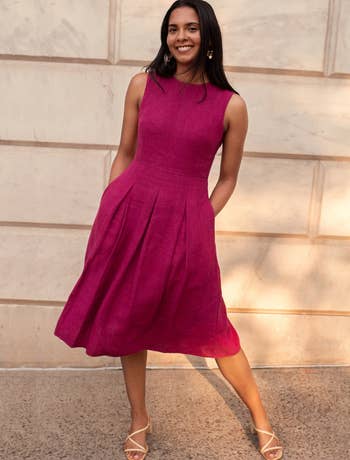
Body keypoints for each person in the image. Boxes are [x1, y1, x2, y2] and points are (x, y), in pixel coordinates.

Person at [54, 1, 284, 459]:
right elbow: (125, 151)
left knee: (212, 324)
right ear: (166, 36)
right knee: (129, 317)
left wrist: (202, 218)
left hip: (185, 223)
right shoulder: (142, 84)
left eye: (192, 29)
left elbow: (229, 178)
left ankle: (261, 418)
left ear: (208, 36)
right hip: (129, 212)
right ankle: (140, 418)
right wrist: (109, 207)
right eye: (173, 29)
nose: (181, 37)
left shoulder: (231, 106)